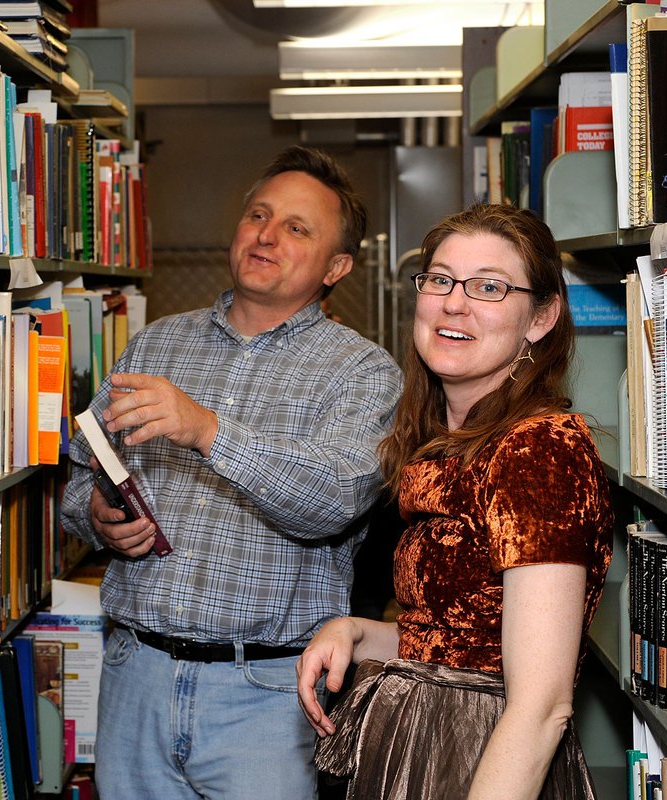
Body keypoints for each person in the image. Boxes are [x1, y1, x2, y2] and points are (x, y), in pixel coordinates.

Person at [58, 145, 401, 800]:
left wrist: (207, 430)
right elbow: (80, 478)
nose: (267, 235)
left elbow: (334, 499)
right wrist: (95, 515)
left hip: (267, 696)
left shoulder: (364, 372)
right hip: (135, 675)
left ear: (337, 267)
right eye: (258, 215)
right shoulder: (156, 342)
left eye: (297, 228)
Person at [296, 203, 613, 799]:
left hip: (485, 764)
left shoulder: (537, 450)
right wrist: (359, 632)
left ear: (540, 317)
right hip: (419, 750)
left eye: (489, 287)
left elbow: (541, 705)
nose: (454, 302)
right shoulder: (449, 445)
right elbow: (463, 643)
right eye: (440, 279)